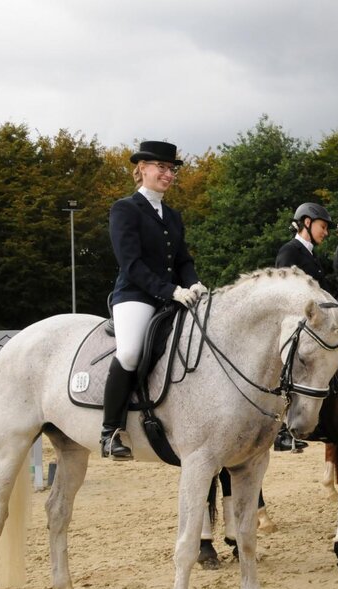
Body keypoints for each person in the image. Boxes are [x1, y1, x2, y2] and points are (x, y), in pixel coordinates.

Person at [101, 140, 207, 460]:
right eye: (161, 167)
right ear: (142, 168)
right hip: (136, 295)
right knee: (131, 352)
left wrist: (194, 284)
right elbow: (131, 264)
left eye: (171, 169)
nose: (168, 173)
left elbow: (184, 260)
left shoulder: (173, 216)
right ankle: (111, 431)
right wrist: (170, 290)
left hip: (173, 296)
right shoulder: (125, 208)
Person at [273, 202, 332, 451]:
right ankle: (280, 432)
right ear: (307, 222)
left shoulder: (310, 255)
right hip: (292, 322)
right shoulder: (290, 251)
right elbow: (284, 290)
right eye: (322, 226)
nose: (326, 232)